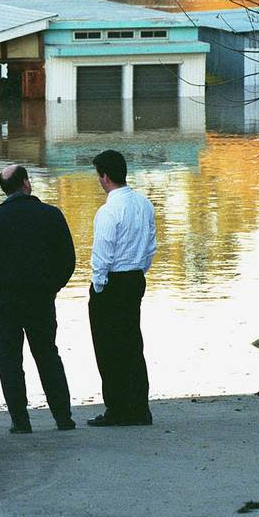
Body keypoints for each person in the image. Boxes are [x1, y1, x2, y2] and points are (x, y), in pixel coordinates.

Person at [0, 164, 76, 433]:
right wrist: (52, 287)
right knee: (48, 355)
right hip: (40, 299)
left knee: (9, 361)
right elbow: (68, 260)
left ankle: (20, 420)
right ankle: (63, 416)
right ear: (26, 182)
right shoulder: (50, 215)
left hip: (3, 303)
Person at [87, 149, 157, 427]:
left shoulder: (108, 211)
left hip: (113, 281)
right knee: (132, 343)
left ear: (104, 177)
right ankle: (139, 407)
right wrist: (141, 269)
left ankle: (116, 408)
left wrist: (98, 285)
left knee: (108, 347)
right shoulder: (144, 204)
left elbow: (101, 255)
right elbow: (151, 244)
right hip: (135, 278)